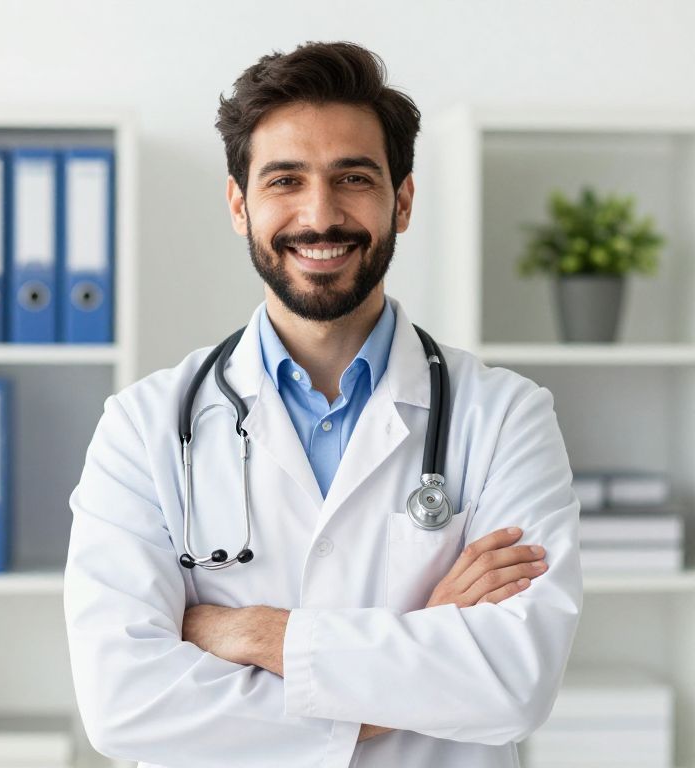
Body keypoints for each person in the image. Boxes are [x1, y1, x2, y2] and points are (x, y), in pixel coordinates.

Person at [63, 41, 582, 768]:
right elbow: (125, 705)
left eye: (354, 178)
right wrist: (416, 654)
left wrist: (252, 633)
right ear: (240, 205)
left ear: (400, 201)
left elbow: (513, 683)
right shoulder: (141, 428)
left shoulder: (505, 418)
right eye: (285, 180)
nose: (321, 214)